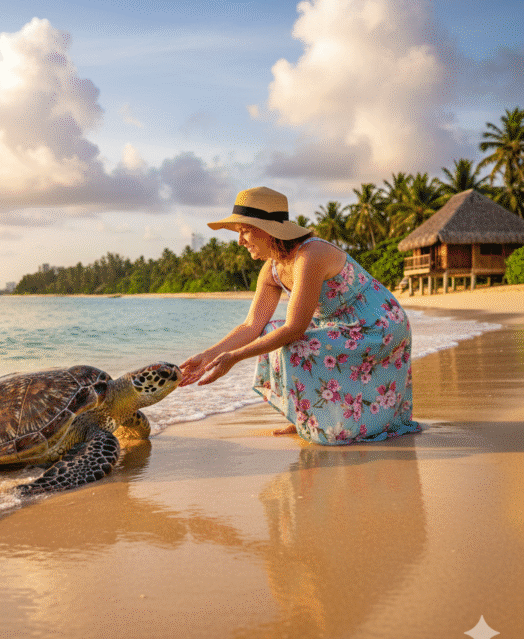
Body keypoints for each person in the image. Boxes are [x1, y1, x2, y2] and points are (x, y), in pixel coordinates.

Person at [179, 186, 421, 445]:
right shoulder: (271, 269)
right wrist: (208, 356)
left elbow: (295, 328)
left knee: (293, 343)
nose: (240, 241)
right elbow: (251, 326)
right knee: (271, 330)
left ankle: (317, 420)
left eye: (245, 231)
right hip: (340, 324)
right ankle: (308, 418)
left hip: (378, 325)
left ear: (268, 230)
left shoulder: (310, 254)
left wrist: (234, 358)